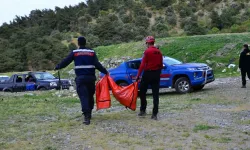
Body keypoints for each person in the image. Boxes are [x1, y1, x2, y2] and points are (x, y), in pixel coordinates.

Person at [55, 36, 108, 125]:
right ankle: (89, 112)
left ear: (78, 43)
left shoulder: (75, 52)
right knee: (90, 95)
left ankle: (87, 117)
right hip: (91, 78)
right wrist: (105, 71)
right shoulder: (91, 52)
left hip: (81, 78)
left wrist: (58, 66)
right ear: (85, 42)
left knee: (84, 96)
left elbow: (66, 61)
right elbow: (97, 64)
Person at [136, 36, 163, 120]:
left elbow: (142, 65)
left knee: (142, 92)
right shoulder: (159, 52)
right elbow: (161, 65)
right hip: (156, 74)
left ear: (147, 43)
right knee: (155, 94)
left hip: (147, 73)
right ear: (153, 42)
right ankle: (154, 114)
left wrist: (138, 75)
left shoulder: (147, 52)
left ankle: (143, 110)